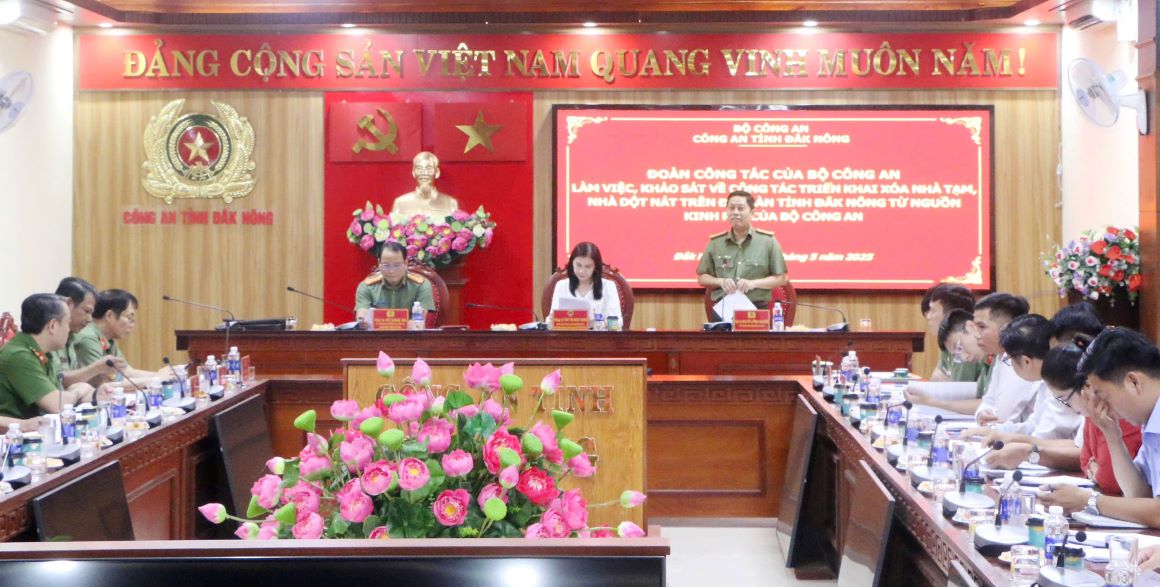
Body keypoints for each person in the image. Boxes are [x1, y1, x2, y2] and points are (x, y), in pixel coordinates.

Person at [1034, 328, 1160, 529]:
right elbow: (1139, 494)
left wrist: (1090, 501)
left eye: (1104, 396)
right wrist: (1112, 435)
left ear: (1134, 382)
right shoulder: (1151, 421)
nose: (1102, 405)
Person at [0, 294, 107, 421]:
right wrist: (80, 390)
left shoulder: (44, 352)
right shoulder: (19, 355)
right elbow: (57, 404)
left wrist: (95, 394)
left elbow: (60, 393)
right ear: (53, 326)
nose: (68, 329)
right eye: (67, 323)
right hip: (15, 436)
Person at [696, 190, 788, 318]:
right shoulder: (716, 243)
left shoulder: (768, 242)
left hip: (756, 311)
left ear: (752, 212)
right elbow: (702, 278)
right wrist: (720, 281)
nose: (735, 212)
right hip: (723, 311)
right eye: (731, 208)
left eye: (740, 208)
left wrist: (753, 283)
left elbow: (782, 278)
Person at [74, 289, 164, 388]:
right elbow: (103, 385)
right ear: (109, 315)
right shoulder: (89, 338)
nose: (132, 325)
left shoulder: (108, 339)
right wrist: (157, 379)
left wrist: (159, 376)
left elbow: (126, 372)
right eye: (130, 318)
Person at [972, 293, 1039, 425]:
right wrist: (981, 414)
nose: (976, 335)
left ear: (1006, 328)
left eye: (982, 327)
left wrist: (989, 418)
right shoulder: (1002, 355)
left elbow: (1003, 416)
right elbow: (988, 401)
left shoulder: (1023, 357)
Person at [905, 309, 989, 413]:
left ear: (971, 327)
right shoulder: (986, 363)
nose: (964, 357)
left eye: (959, 347)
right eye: (957, 356)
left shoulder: (1002, 358)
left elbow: (989, 405)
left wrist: (931, 402)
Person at [50, 277, 123, 388]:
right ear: (68, 304)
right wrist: (95, 369)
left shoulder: (72, 337)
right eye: (87, 311)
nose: (89, 319)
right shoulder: (48, 337)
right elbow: (56, 381)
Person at [355, 241, 435, 321]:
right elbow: (362, 317)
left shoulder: (421, 285)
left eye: (397, 265)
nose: (391, 271)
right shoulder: (367, 287)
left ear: (405, 263)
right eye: (386, 265)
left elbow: (419, 321)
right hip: (377, 333)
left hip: (410, 333)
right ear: (379, 263)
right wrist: (363, 320)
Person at [920, 283, 984, 382]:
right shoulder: (950, 342)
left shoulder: (964, 344)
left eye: (933, 311)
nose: (928, 317)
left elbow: (959, 392)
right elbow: (935, 380)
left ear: (951, 314)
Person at [549, 242, 622, 325]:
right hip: (568, 336)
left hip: (598, 336)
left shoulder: (608, 287)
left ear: (595, 267)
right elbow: (550, 321)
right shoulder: (561, 286)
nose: (581, 271)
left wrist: (593, 322)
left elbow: (617, 322)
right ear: (572, 263)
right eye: (578, 265)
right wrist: (553, 320)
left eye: (587, 267)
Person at [390, 151, 460, 219]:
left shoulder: (450, 203)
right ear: (414, 172)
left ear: (437, 172)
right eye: (419, 168)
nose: (424, 173)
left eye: (428, 168)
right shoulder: (400, 203)